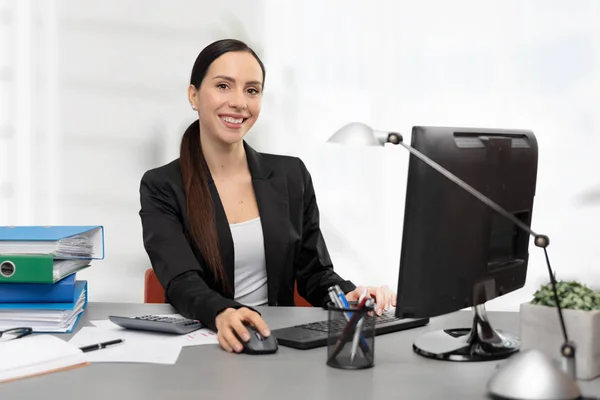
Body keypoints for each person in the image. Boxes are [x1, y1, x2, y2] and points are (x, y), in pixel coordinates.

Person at [139, 38, 396, 354]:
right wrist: (222, 313)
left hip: (280, 345)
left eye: (251, 90)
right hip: (209, 343)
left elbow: (314, 273)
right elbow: (180, 280)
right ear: (194, 95)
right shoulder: (162, 185)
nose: (239, 102)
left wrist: (347, 294)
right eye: (223, 86)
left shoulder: (290, 175)